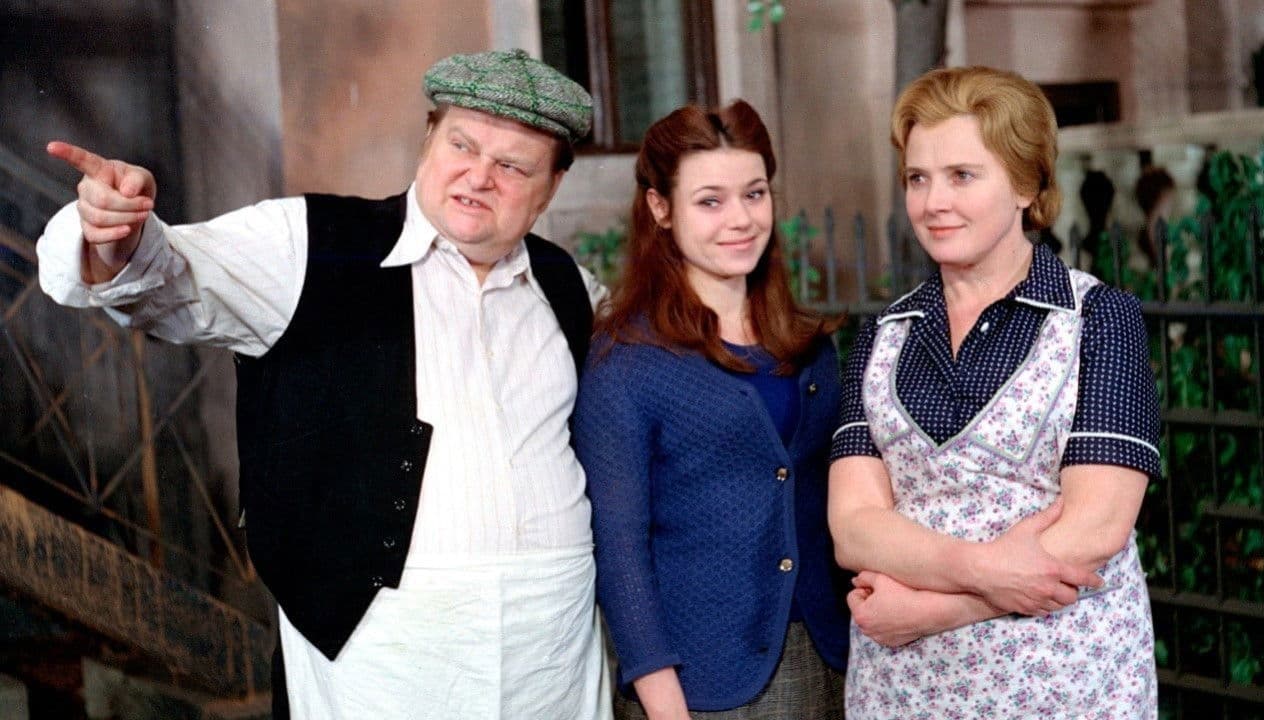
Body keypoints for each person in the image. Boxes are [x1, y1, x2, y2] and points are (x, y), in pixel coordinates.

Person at [37, 49, 610, 720]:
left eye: (512, 166)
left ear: (551, 186)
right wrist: (117, 240)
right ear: (429, 137)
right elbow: (170, 277)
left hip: (553, 654)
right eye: (462, 144)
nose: (479, 176)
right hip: (378, 665)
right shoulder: (306, 243)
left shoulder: (570, 287)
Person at [828, 66, 1160, 719]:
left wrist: (931, 610)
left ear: (1027, 185)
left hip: (1063, 683)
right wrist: (984, 568)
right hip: (903, 691)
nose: (933, 202)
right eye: (917, 178)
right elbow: (854, 528)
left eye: (962, 175)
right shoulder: (883, 335)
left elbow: (1097, 526)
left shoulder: (1097, 320)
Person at [573, 100, 850, 720]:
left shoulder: (810, 347)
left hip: (833, 660)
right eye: (710, 201)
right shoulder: (627, 360)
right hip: (700, 684)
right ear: (660, 208)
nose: (740, 219)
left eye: (754, 194)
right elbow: (618, 543)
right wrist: (661, 699)